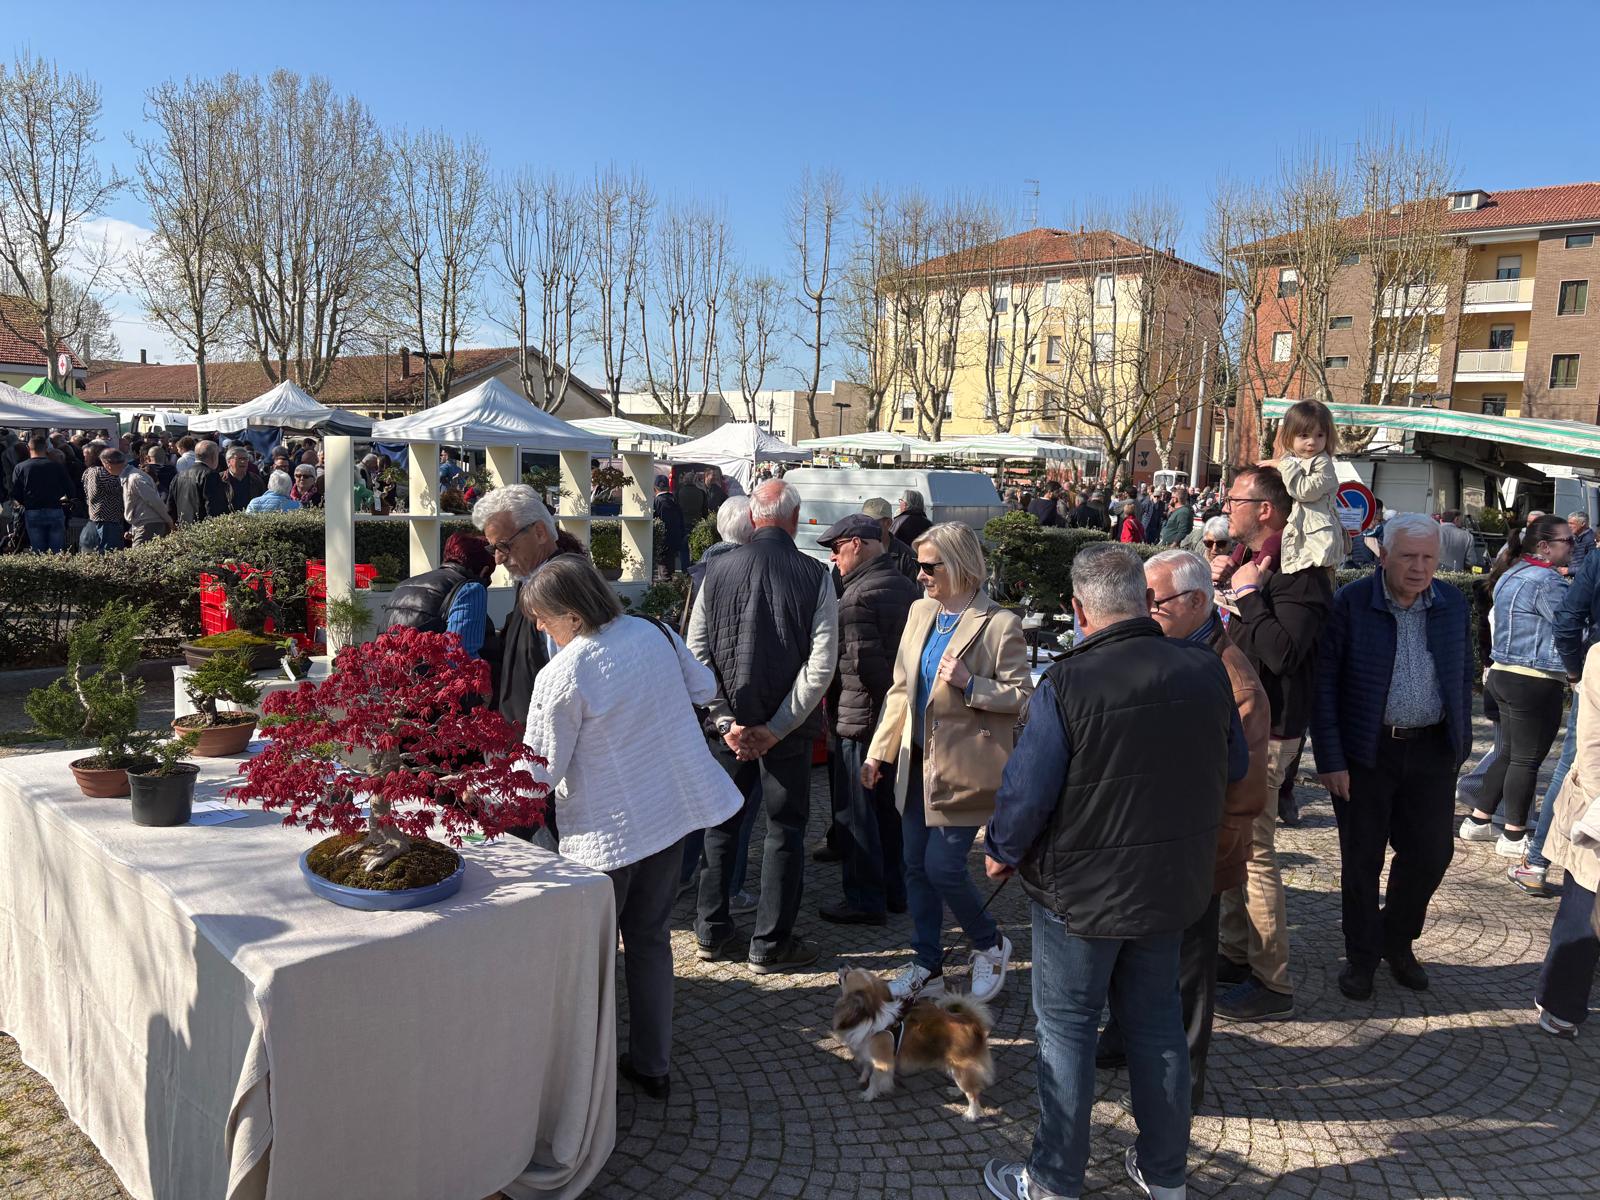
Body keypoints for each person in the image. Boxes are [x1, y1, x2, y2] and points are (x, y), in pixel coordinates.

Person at [980, 543, 1243, 1200]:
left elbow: (1027, 791)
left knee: (1067, 1029)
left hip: (1082, 896)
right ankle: (1165, 1174)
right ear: (1143, 602)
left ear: (1078, 610)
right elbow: (1234, 766)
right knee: (1157, 1025)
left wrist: (1001, 849)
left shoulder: (1066, 683)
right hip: (1169, 883)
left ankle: (1053, 1180)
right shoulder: (1205, 670)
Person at [522, 555, 744, 1100]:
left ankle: (585, 1086)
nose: (537, 626)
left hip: (608, 834)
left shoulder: (565, 672)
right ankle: (653, 1063)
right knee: (649, 939)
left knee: (591, 961)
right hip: (669, 816)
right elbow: (702, 687)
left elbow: (539, 772)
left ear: (571, 616)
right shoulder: (654, 630)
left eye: (542, 617)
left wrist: (476, 782)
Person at [1095, 549, 1267, 1116]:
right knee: (1129, 951)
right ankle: (1122, 1038)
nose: (1143, 610)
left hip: (1193, 854)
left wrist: (1206, 863)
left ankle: (1184, 1090)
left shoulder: (1232, 676)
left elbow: (1241, 797)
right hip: (1142, 844)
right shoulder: (1162, 650)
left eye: (1155, 601)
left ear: (1196, 602)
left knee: (1190, 975)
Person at [864, 522, 1032, 1002]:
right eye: (918, 565)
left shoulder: (1000, 624)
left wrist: (971, 683)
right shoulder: (921, 612)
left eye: (928, 566)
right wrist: (880, 751)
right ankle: (927, 963)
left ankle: (988, 942)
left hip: (964, 769)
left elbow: (1024, 698)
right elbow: (901, 689)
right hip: (915, 764)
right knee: (914, 865)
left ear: (958, 566)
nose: (919, 576)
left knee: (943, 867)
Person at [1311, 514, 1474, 1000]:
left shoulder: (1449, 604)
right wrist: (1331, 759)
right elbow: (1324, 688)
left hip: (1430, 750)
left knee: (1431, 853)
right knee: (1362, 860)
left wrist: (1459, 745)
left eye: (1429, 557)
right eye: (1409, 556)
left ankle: (1397, 940)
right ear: (1384, 555)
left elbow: (1462, 672)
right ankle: (1361, 957)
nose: (1420, 567)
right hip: (1367, 752)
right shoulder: (1352, 604)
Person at [688, 479, 839, 973]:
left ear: (754, 519)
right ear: (794, 520)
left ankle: (711, 930)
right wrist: (775, 727)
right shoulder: (816, 575)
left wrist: (725, 719)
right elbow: (821, 665)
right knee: (785, 832)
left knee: (722, 825)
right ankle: (770, 944)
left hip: (731, 729)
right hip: (785, 733)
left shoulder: (715, 571)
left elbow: (696, 654)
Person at [1215, 465, 1333, 1023]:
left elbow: (1285, 653)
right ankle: (1236, 955)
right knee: (1235, 843)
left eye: (1233, 497)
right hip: (1235, 723)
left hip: (1271, 731)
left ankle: (1273, 981)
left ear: (1265, 509)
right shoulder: (1251, 564)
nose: (1225, 505)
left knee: (1257, 853)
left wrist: (1248, 599)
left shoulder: (1300, 572)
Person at [817, 513, 919, 926]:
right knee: (888, 812)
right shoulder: (905, 586)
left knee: (860, 814)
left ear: (857, 544)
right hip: (892, 721)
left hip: (862, 721)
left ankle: (864, 898)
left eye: (837, 550)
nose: (835, 560)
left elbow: (867, 667)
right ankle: (896, 892)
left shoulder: (857, 597)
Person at [1459, 513, 1572, 858]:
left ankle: (1478, 820)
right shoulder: (1545, 581)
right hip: (1534, 679)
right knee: (1526, 760)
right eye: (1566, 540)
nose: (1572, 546)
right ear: (1544, 546)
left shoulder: (1512, 573)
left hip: (1504, 674)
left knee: (1508, 754)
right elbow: (1568, 625)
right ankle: (1512, 835)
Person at [1530, 638, 1600, 1038]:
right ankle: (1560, 1002)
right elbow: (1591, 747)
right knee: (1584, 909)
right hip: (1597, 806)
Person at [473, 485, 564, 728]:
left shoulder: (558, 586)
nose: (498, 558)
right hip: (526, 738)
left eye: (504, 545)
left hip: (545, 743)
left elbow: (573, 681)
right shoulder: (530, 581)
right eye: (493, 548)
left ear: (540, 532)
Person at [1272, 399, 1344, 574]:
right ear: (1289, 437)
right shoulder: (1297, 461)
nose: (1312, 442)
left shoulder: (1323, 463)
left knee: (1318, 586)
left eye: (1320, 435)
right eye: (1304, 435)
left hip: (1319, 544)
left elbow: (1304, 491)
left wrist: (1282, 464)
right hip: (1304, 541)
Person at [10, 434, 72, 552]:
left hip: (32, 509)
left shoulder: (20, 467)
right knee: (56, 550)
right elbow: (70, 489)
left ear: (29, 449)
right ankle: (56, 570)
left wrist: (25, 502)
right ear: (46, 448)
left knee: (38, 550)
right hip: (55, 508)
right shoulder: (57, 466)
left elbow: (16, 491)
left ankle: (41, 570)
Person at [169, 440, 228, 526]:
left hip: (182, 529)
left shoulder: (179, 476)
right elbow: (214, 507)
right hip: (202, 531)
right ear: (214, 456)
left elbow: (171, 506)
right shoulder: (211, 476)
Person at [80, 447, 128, 553]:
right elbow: (116, 487)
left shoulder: (89, 471)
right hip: (108, 516)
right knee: (110, 551)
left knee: (94, 550)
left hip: (95, 515)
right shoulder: (102, 472)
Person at [862, 496, 919, 583]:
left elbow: (915, 593)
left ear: (888, 523)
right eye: (863, 521)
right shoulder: (854, 549)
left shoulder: (906, 556)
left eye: (872, 522)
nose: (866, 525)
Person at [122, 451, 173, 545]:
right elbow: (140, 510)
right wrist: (131, 530)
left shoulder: (161, 493)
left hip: (151, 527)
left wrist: (170, 522)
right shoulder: (137, 483)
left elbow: (156, 508)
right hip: (140, 526)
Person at [653, 474, 688, 574]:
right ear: (668, 487)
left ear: (655, 488)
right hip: (675, 539)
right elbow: (681, 519)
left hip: (662, 540)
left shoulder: (656, 502)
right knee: (670, 565)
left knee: (663, 569)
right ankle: (670, 586)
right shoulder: (675, 500)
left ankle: (665, 586)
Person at [221, 445, 266, 512]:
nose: (243, 461)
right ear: (228, 462)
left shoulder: (256, 480)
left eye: (245, 459)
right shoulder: (220, 479)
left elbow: (262, 501)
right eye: (239, 459)